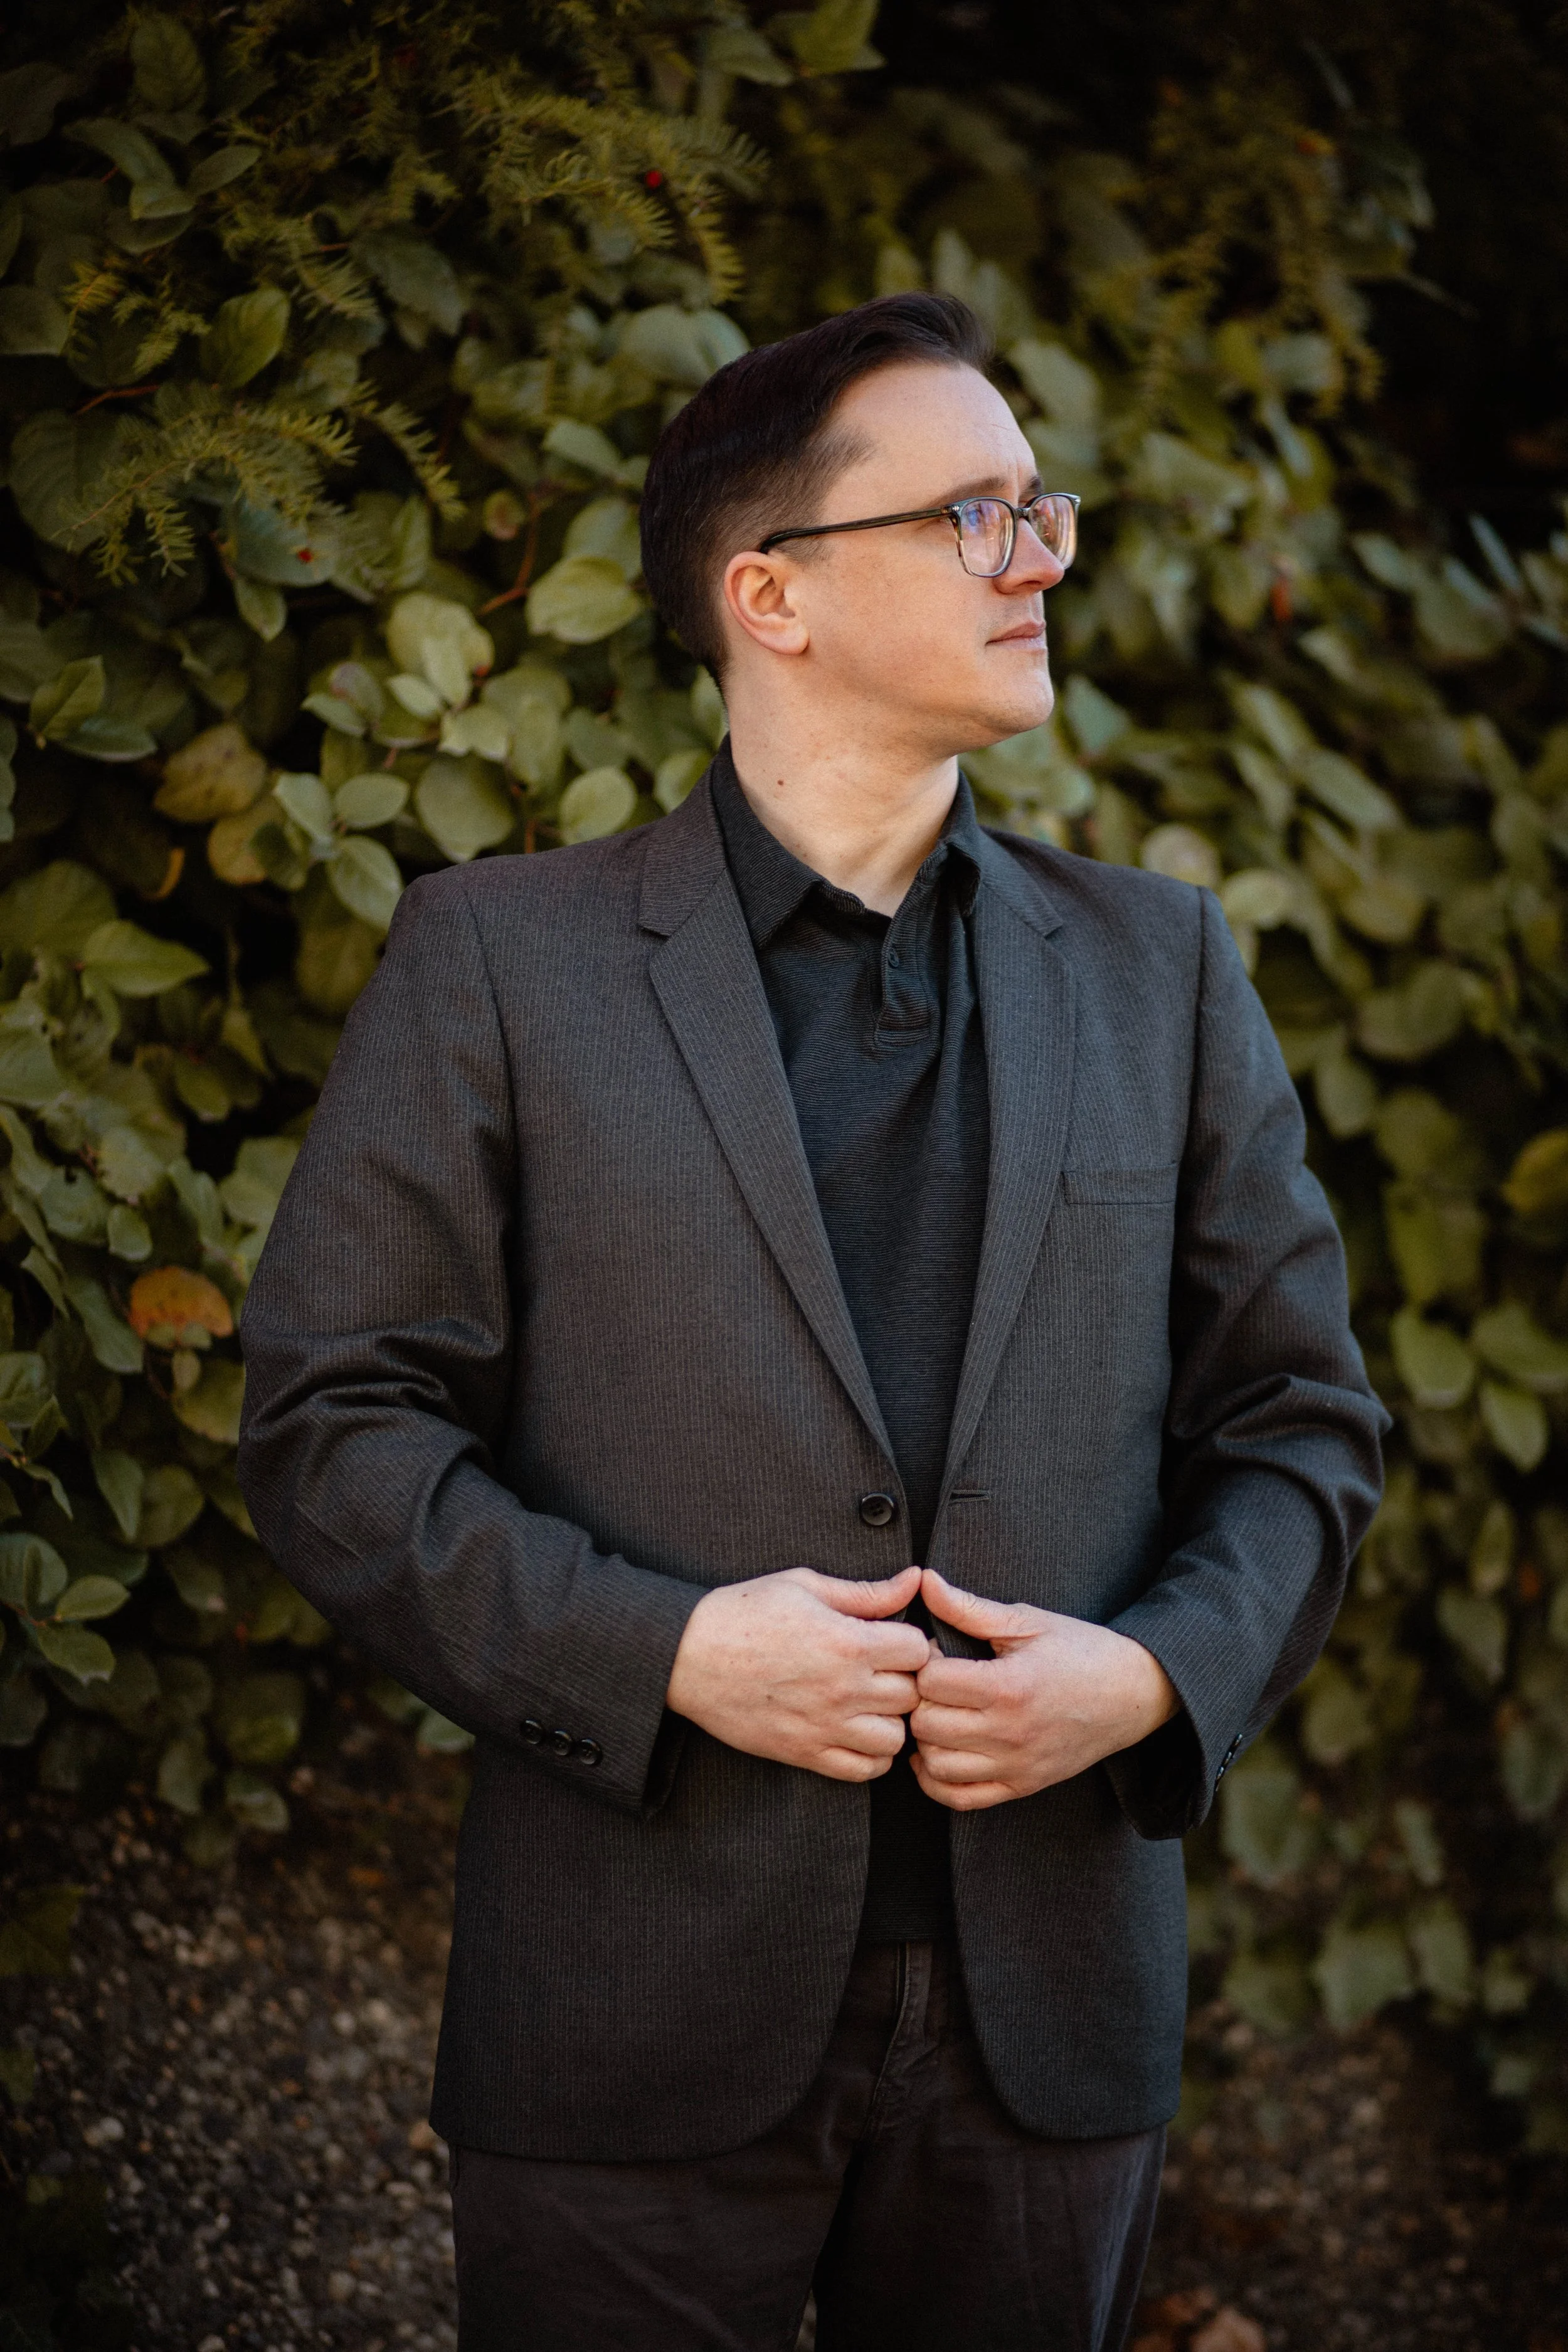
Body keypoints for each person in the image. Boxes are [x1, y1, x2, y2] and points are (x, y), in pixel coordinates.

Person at [236, 291, 1389, 2352]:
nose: (1038, 558)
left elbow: (1299, 1421)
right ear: (767, 593)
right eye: (972, 516)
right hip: (625, 2007)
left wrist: (1148, 1677)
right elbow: (335, 1425)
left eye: (1041, 507)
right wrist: (669, 1652)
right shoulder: (496, 961)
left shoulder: (1163, 968)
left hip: (1051, 2023)